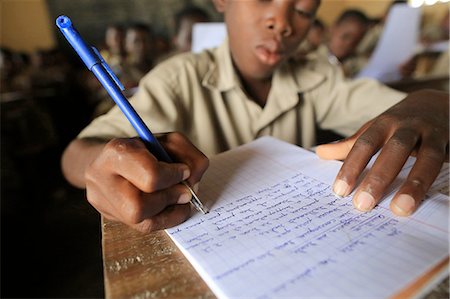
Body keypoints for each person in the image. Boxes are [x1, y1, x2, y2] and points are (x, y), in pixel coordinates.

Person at [61, 0, 449, 233]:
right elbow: (75, 154)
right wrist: (102, 165)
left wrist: (432, 101)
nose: (281, 22)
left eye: (301, 9)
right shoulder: (178, 79)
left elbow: (396, 109)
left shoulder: (318, 76)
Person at [310, 9, 369, 77]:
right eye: (345, 37)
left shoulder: (357, 65)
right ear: (333, 27)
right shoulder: (312, 58)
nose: (348, 44)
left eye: (355, 42)